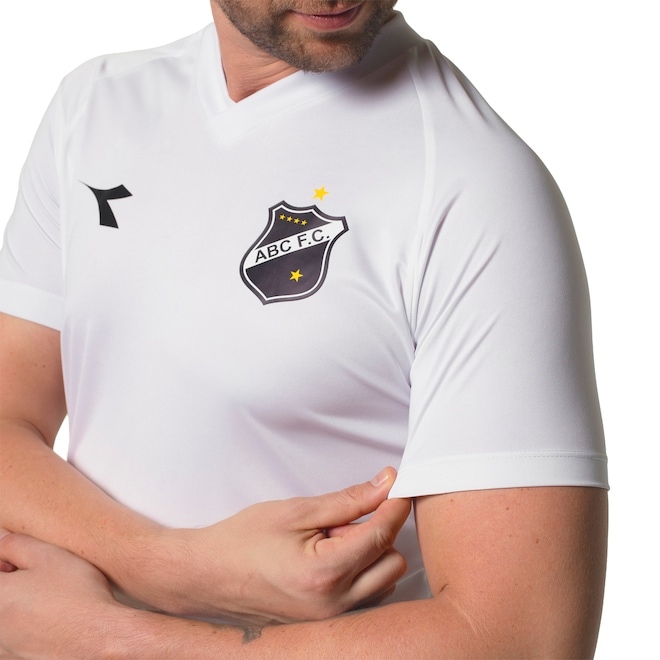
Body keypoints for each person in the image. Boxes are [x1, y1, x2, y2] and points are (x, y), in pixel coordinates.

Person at [0, 1, 608, 657]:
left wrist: (100, 638)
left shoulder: (475, 184)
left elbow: (522, 639)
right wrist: (167, 566)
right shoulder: (94, 107)